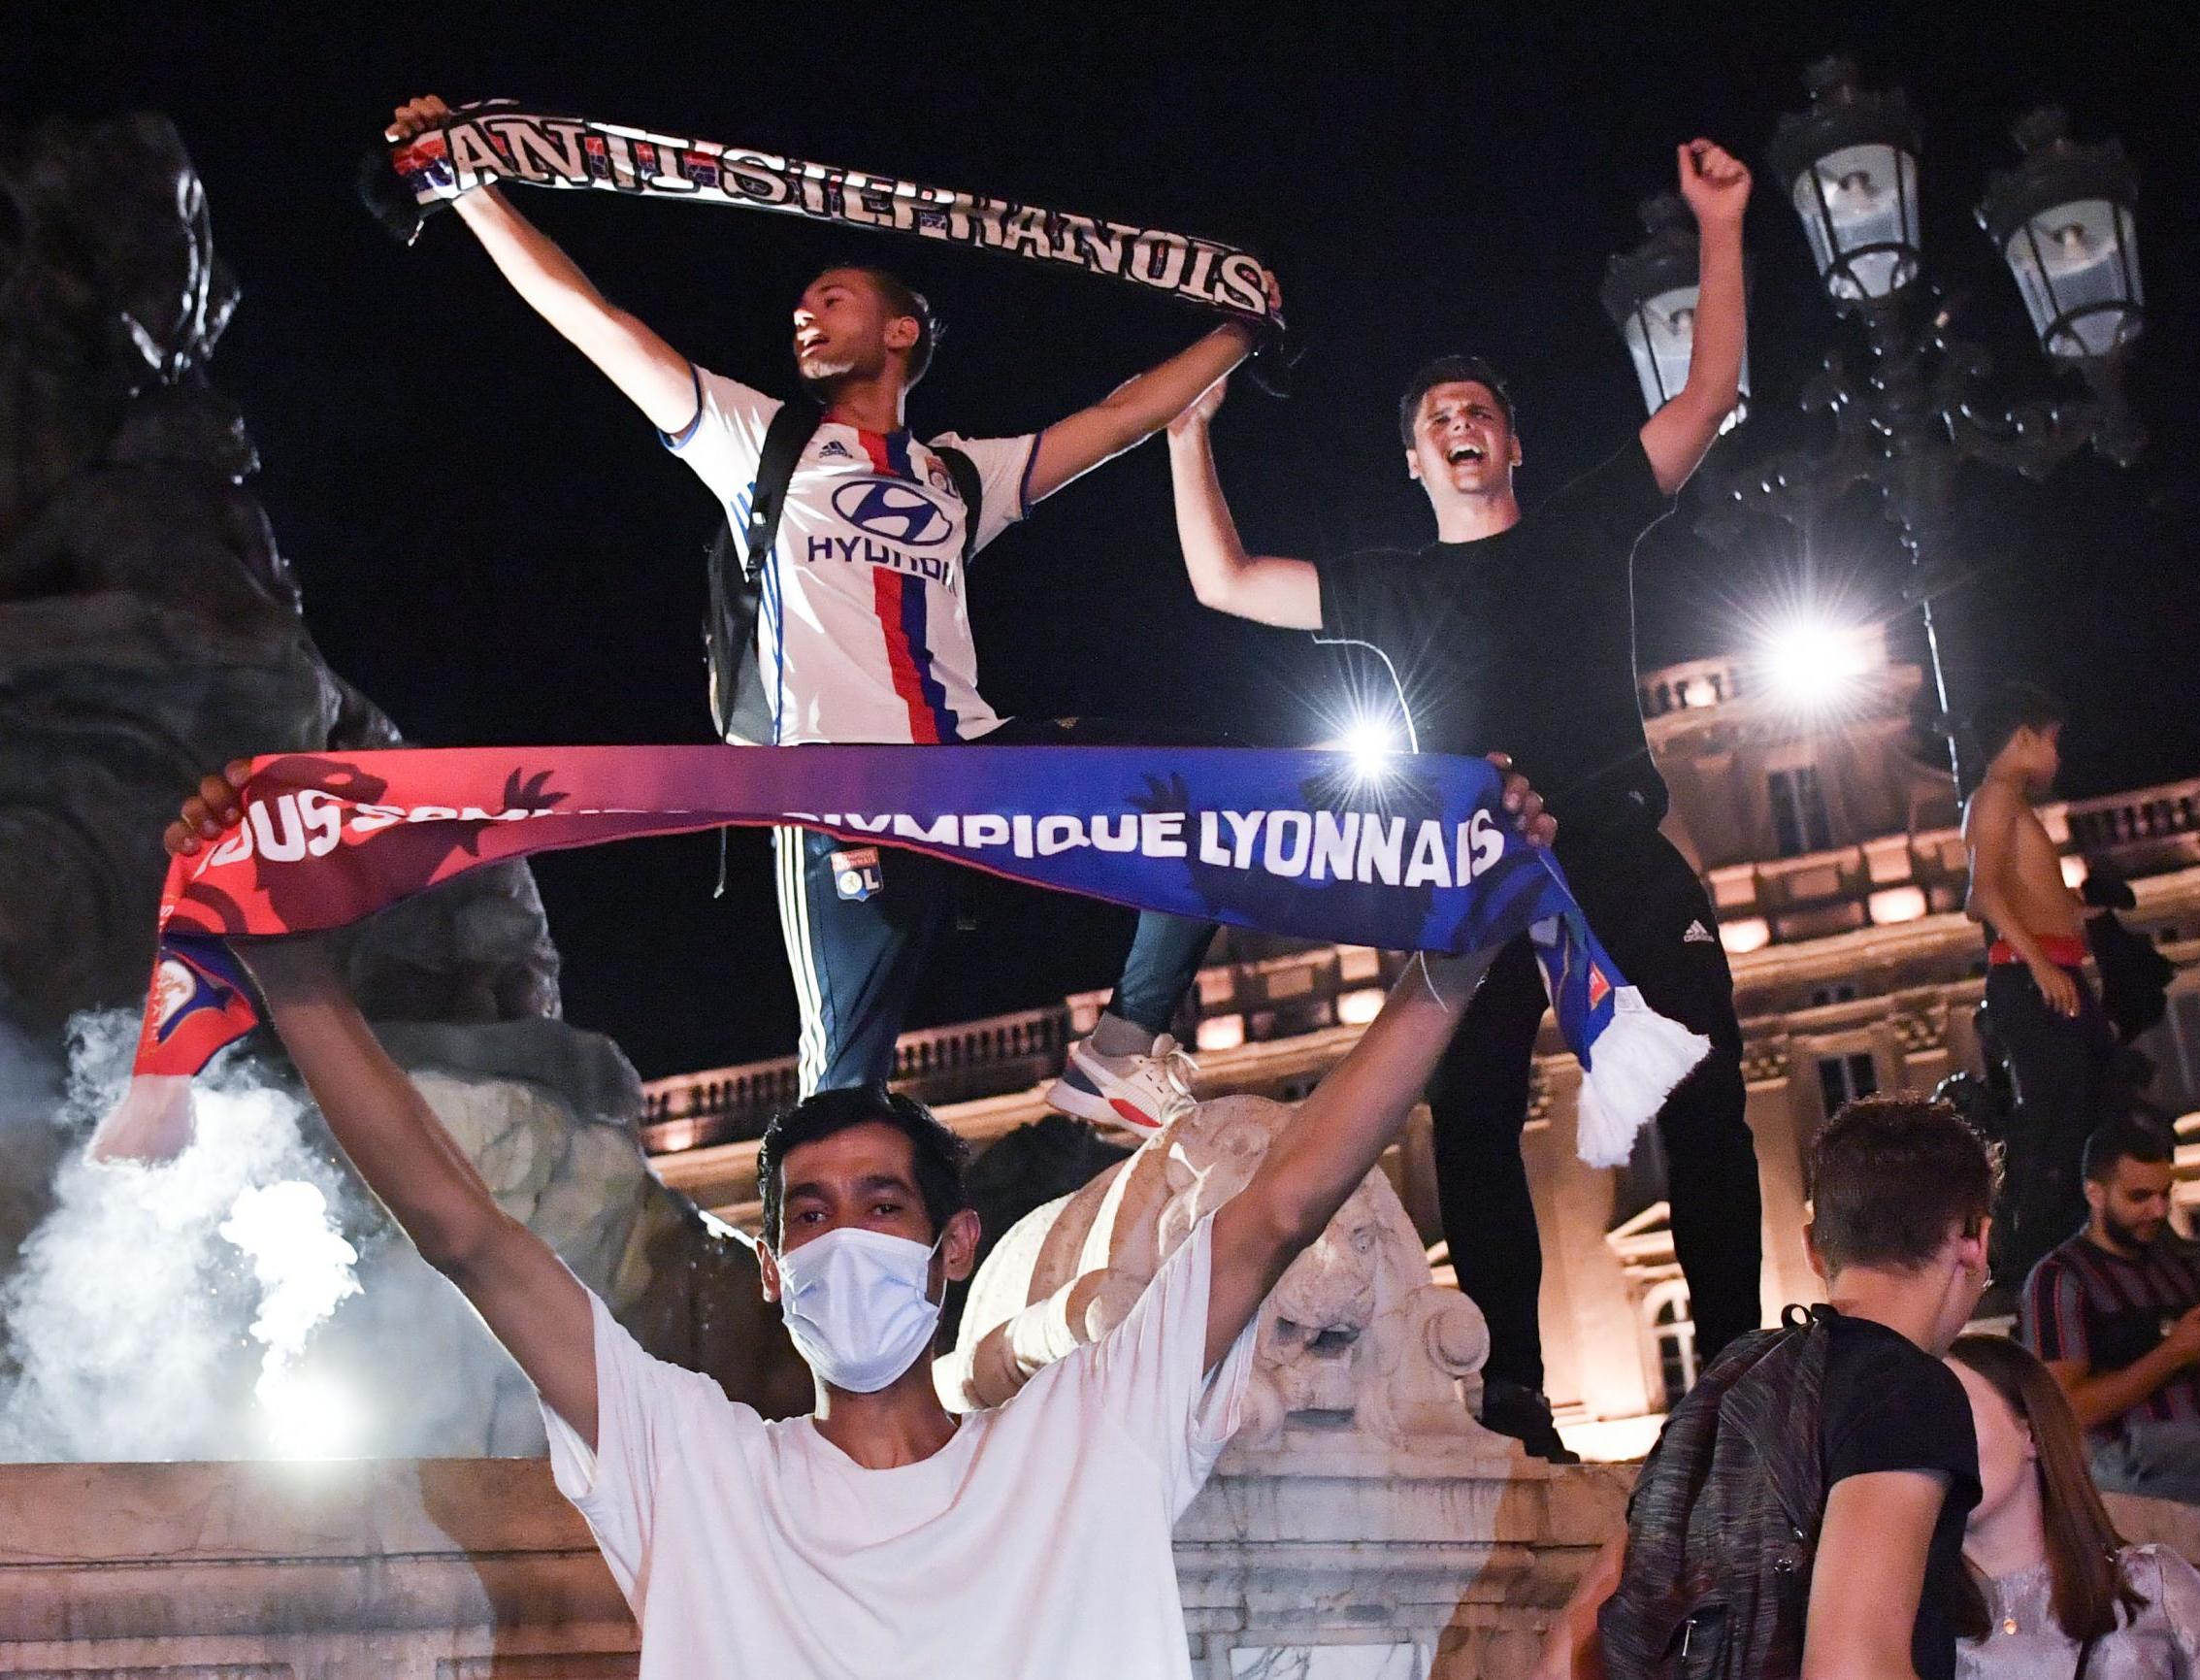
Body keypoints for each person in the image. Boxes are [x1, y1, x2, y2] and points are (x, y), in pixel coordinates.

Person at [163, 754, 1554, 1680]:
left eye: (880, 1202)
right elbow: (464, 1227)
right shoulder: (692, 1462)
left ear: (952, 1250)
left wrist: (1454, 962)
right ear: (770, 1272)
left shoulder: (1091, 1428)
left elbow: (1279, 1203)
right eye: (809, 1215)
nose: (841, 1239)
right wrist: (288, 969)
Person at [385, 96, 1261, 1139]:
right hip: (845, 794)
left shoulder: (955, 474)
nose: (804, 317)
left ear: (901, 332)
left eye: (831, 299)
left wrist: (1245, 327)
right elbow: (593, 320)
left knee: (1217, 796)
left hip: (977, 767)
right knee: (842, 1101)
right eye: (800, 307)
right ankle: (814, 1273)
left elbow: (1117, 422)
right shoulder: (757, 439)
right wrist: (471, 186)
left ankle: (1120, 1050)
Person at [1164, 138, 1759, 1457]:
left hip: (1609, 836)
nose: (1457, 421)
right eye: (1434, 416)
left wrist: (1717, 222)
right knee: (1472, 1119)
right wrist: (1183, 432)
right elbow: (1220, 577)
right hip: (1483, 875)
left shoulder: (1584, 521)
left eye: (1475, 407)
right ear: (1415, 460)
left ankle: (1730, 1375)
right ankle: (1512, 1397)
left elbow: (1708, 388)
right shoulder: (1389, 585)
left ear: (1508, 440)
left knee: (1705, 1092)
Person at [1533, 1093, 1995, 1680]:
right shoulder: (1905, 1390)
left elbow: (1568, 1648)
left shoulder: (1734, 1381)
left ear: (1812, 1247)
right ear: (1974, 1239)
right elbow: (1853, 1667)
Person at [1948, 1334, 2200, 1679]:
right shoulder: (1903, 1623)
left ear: (2030, 1434)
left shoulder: (2152, 1587)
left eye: (1952, 1413)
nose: (1928, 1444)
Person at [1963, 681, 2130, 1281]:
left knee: (2101, 1104)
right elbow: (1980, 896)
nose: (2059, 756)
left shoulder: (2010, 804)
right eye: (2054, 741)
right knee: (2059, 1121)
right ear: (2026, 737)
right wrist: (2037, 962)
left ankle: (2097, 1241)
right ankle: (2041, 1256)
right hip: (2034, 979)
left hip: (2055, 971)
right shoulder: (1993, 800)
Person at [2019, 1118, 2200, 1514]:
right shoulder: (2060, 1278)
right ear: (2095, 1193)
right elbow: (2068, 1410)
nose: (2158, 1210)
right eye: (2140, 1197)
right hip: (2128, 1458)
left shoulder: (2174, 1270)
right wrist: (2173, 1352)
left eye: (2165, 1195)